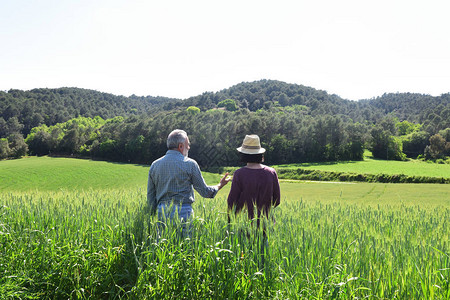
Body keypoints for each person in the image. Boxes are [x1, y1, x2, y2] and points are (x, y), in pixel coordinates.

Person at [147, 129, 230, 227]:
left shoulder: (154, 165)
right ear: (181, 146)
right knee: (185, 242)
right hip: (184, 214)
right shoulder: (190, 164)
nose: (189, 147)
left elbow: (151, 198)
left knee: (163, 242)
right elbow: (205, 192)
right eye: (188, 144)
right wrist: (220, 185)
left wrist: (152, 218)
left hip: (162, 215)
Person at [227, 134, 281, 228]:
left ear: (243, 155)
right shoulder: (271, 172)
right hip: (266, 224)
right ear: (260, 154)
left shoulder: (239, 174)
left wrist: (230, 221)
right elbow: (277, 200)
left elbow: (232, 201)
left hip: (244, 224)